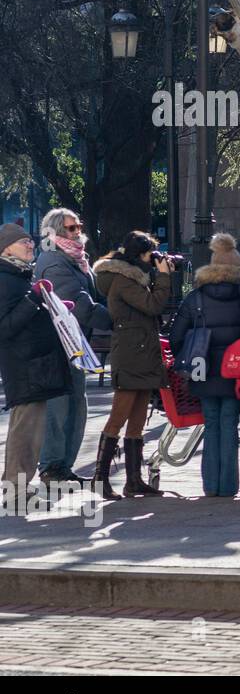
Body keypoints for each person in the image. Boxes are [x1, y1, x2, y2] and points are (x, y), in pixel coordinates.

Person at [168, 233, 240, 497]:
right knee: (230, 424)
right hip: (235, 372)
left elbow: (175, 338)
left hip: (202, 369)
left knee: (211, 424)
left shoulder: (194, 298)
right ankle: (229, 486)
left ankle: (210, 486)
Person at [92, 231, 172, 498]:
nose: (155, 260)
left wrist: (160, 276)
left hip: (142, 351)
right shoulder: (124, 280)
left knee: (137, 419)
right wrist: (163, 277)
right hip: (130, 353)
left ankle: (134, 480)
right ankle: (100, 478)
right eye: (152, 255)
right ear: (140, 255)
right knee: (119, 415)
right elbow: (153, 305)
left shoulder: (137, 278)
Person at [34, 208, 110, 485]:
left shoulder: (76, 260)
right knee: (61, 407)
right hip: (58, 345)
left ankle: (62, 466)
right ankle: (52, 467)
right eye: (70, 228)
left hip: (73, 345)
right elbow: (79, 305)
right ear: (55, 233)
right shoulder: (55, 262)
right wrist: (116, 318)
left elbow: (93, 295)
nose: (77, 232)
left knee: (75, 404)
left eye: (78, 226)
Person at [0, 223, 73, 497]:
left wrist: (53, 310)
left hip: (34, 362)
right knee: (25, 430)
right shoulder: (5, 278)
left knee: (31, 429)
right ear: (5, 248)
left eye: (30, 241)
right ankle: (14, 489)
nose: (30, 245)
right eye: (22, 242)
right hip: (24, 365)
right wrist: (34, 299)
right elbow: (5, 326)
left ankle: (17, 485)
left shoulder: (17, 274)